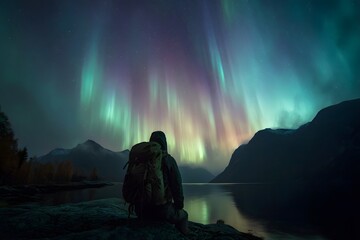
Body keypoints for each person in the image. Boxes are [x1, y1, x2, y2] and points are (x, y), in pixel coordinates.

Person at [134, 131, 189, 234]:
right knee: (184, 215)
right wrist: (179, 206)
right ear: (164, 143)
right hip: (162, 211)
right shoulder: (169, 160)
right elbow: (177, 186)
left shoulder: (141, 158)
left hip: (141, 210)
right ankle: (183, 236)